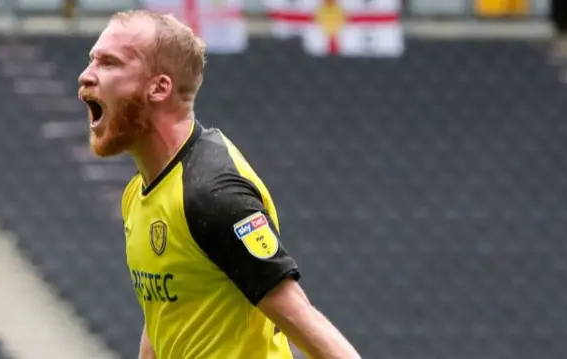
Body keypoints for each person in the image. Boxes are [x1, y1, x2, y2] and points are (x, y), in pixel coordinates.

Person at [77, 9, 361, 359]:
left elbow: (301, 318)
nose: (85, 76)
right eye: (92, 61)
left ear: (159, 87)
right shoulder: (138, 193)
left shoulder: (211, 195)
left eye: (108, 63)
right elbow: (167, 311)